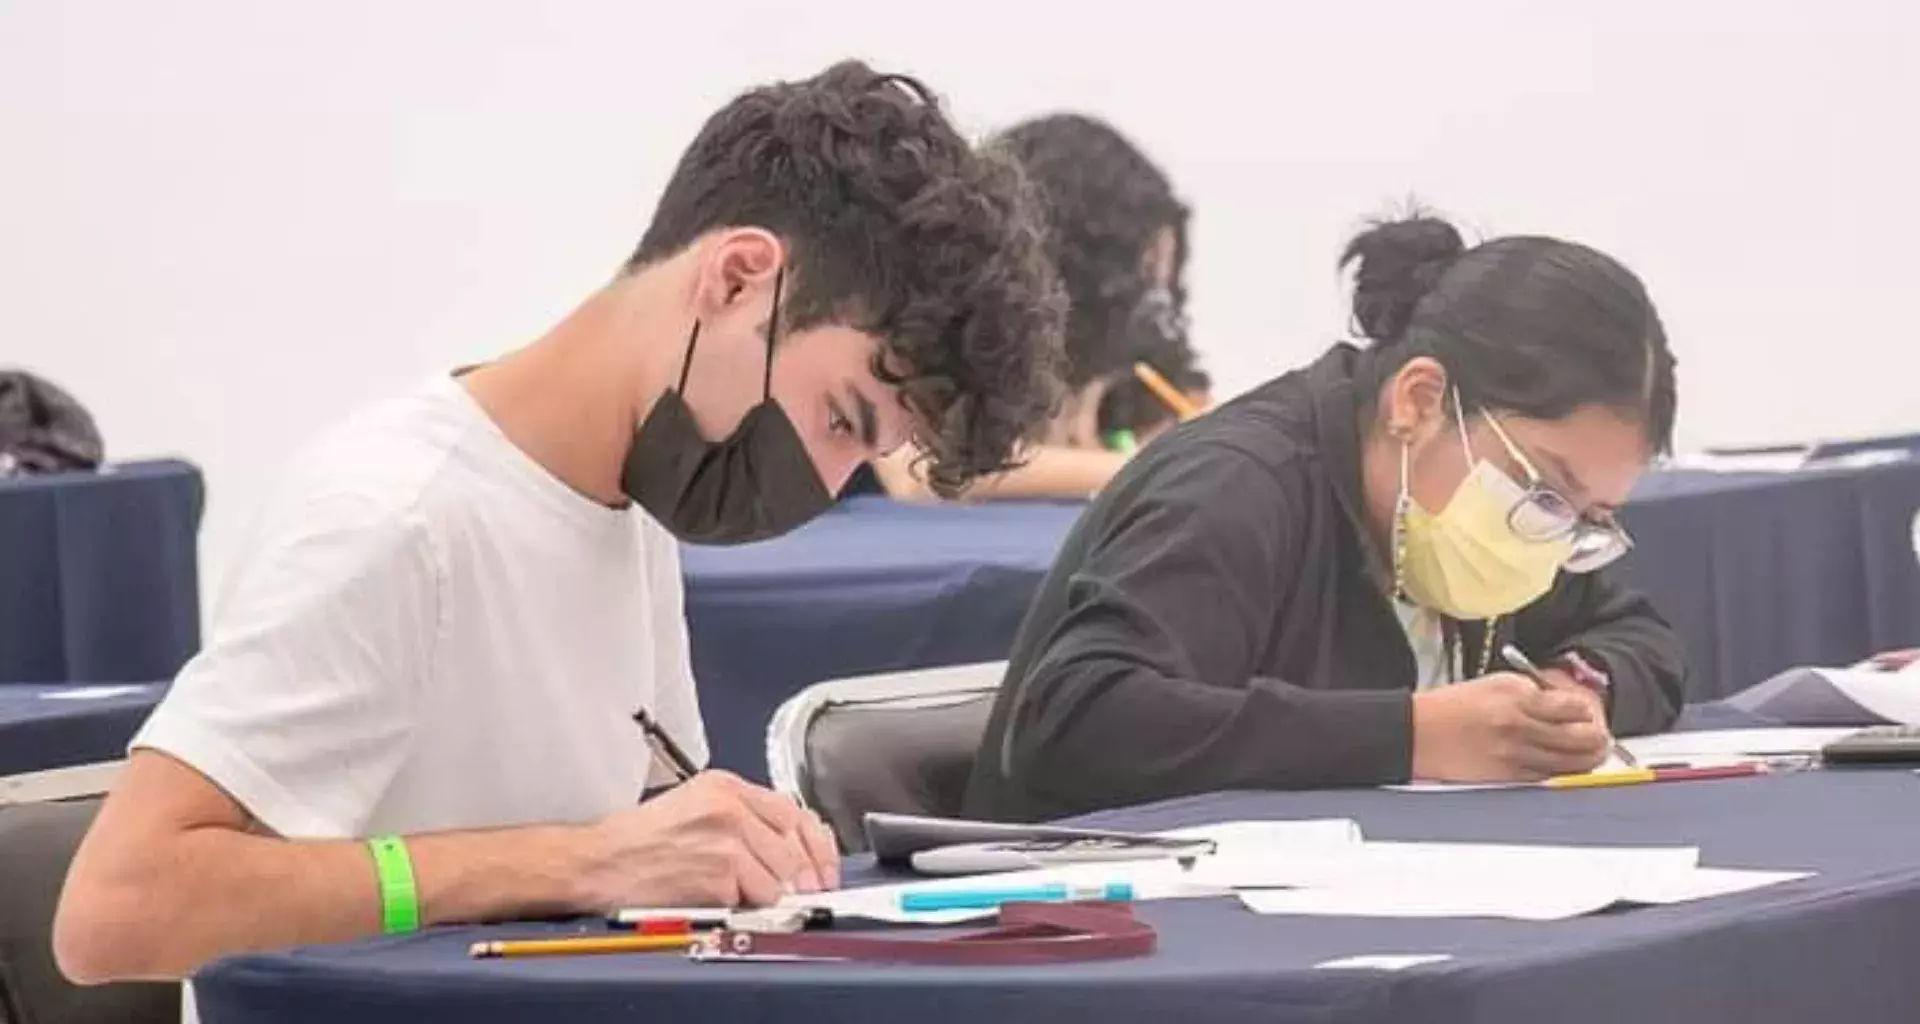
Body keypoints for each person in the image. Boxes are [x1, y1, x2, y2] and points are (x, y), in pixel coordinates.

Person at [54, 60, 1066, 985]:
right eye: (842, 417)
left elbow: (632, 853)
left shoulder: (629, 507)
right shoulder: (395, 519)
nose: (830, 475)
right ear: (736, 277)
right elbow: (117, 909)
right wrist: (577, 859)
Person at [965, 213, 1686, 823]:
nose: (1554, 538)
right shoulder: (1238, 488)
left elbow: (1639, 636)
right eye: (1546, 490)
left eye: (1588, 520)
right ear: (1420, 401)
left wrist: (1570, 692)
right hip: (1083, 937)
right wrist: (1410, 734)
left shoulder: (1486, 529)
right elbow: (1076, 722)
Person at [867, 113, 1207, 501]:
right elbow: (918, 472)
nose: (1157, 290)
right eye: (1142, 268)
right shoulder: (927, 330)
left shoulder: (1129, 375)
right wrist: (1148, 467)